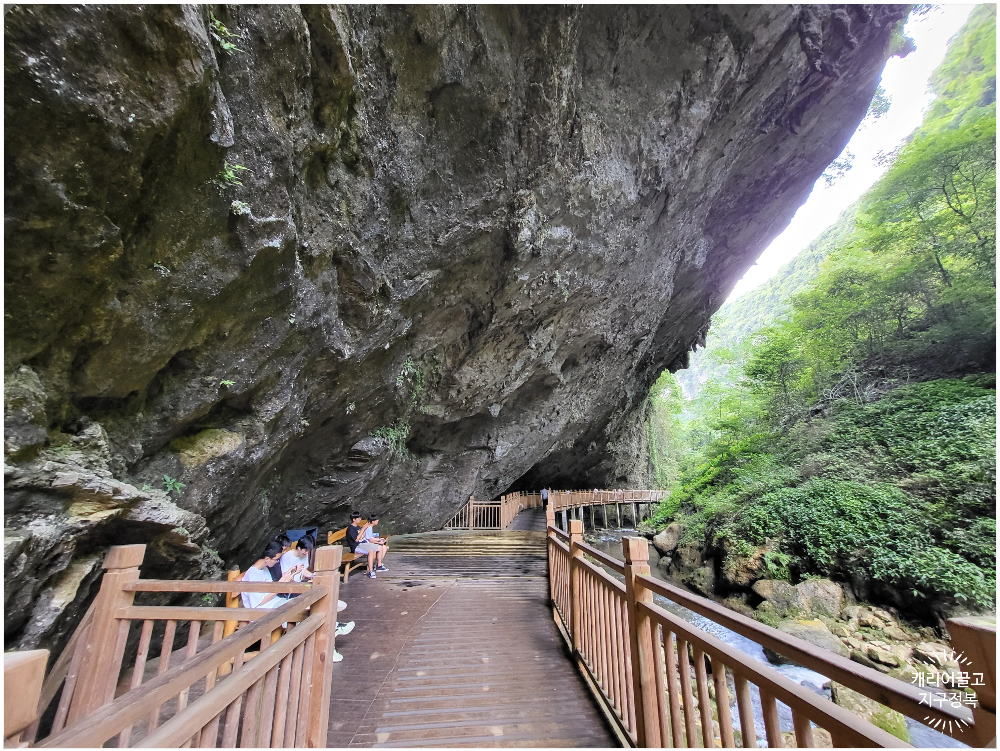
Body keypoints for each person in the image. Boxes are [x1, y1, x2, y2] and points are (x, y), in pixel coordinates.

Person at [346, 511, 386, 578]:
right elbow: (356, 540)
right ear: (354, 519)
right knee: (371, 551)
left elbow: (362, 536)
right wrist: (363, 529)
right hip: (356, 546)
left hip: (362, 544)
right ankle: (371, 571)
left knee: (380, 547)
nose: (360, 519)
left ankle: (378, 566)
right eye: (358, 518)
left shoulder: (358, 527)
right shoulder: (350, 529)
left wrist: (365, 530)